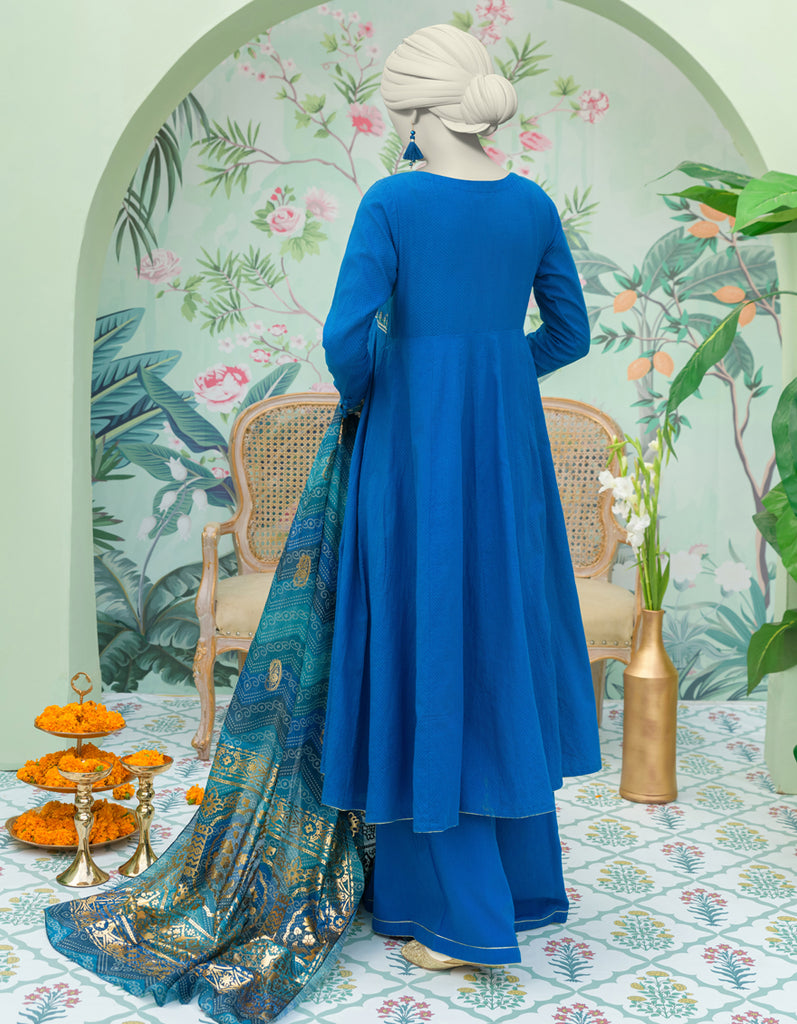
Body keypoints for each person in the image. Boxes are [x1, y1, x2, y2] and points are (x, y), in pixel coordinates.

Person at [319, 23, 602, 971]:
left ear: (410, 112)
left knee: (424, 637)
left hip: (413, 449)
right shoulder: (530, 203)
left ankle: (464, 921)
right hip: (506, 450)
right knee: (492, 639)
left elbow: (345, 336)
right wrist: (498, 373)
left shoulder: (392, 200)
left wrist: (388, 388)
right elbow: (569, 332)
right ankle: (507, 889)